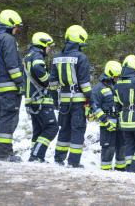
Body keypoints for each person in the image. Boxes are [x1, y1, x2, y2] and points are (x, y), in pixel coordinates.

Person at [49, 25, 92, 168]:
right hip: (78, 101)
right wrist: (91, 100)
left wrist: (55, 99)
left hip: (64, 101)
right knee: (77, 130)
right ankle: (73, 162)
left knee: (64, 129)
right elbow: (85, 83)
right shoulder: (81, 57)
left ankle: (58, 158)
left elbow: (53, 83)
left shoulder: (56, 58)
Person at [0, 9, 24, 162]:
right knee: (9, 118)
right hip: (10, 85)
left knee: (2, 116)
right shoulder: (8, 39)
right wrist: (20, 82)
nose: (17, 30)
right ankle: (4, 153)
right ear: (9, 24)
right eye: (16, 26)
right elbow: (12, 64)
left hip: (0, 84)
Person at [24, 32, 58, 162]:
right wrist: (48, 81)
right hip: (40, 99)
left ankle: (35, 156)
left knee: (38, 130)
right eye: (48, 46)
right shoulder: (37, 55)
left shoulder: (28, 55)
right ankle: (36, 156)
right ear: (42, 45)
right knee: (51, 128)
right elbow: (38, 68)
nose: (49, 49)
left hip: (31, 99)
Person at [92, 61, 126, 171]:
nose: (117, 78)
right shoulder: (98, 88)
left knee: (122, 147)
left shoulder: (118, 86)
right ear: (110, 75)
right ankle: (105, 171)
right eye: (116, 77)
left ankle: (121, 169)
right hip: (107, 124)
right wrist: (105, 120)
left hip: (120, 123)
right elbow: (95, 107)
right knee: (108, 148)